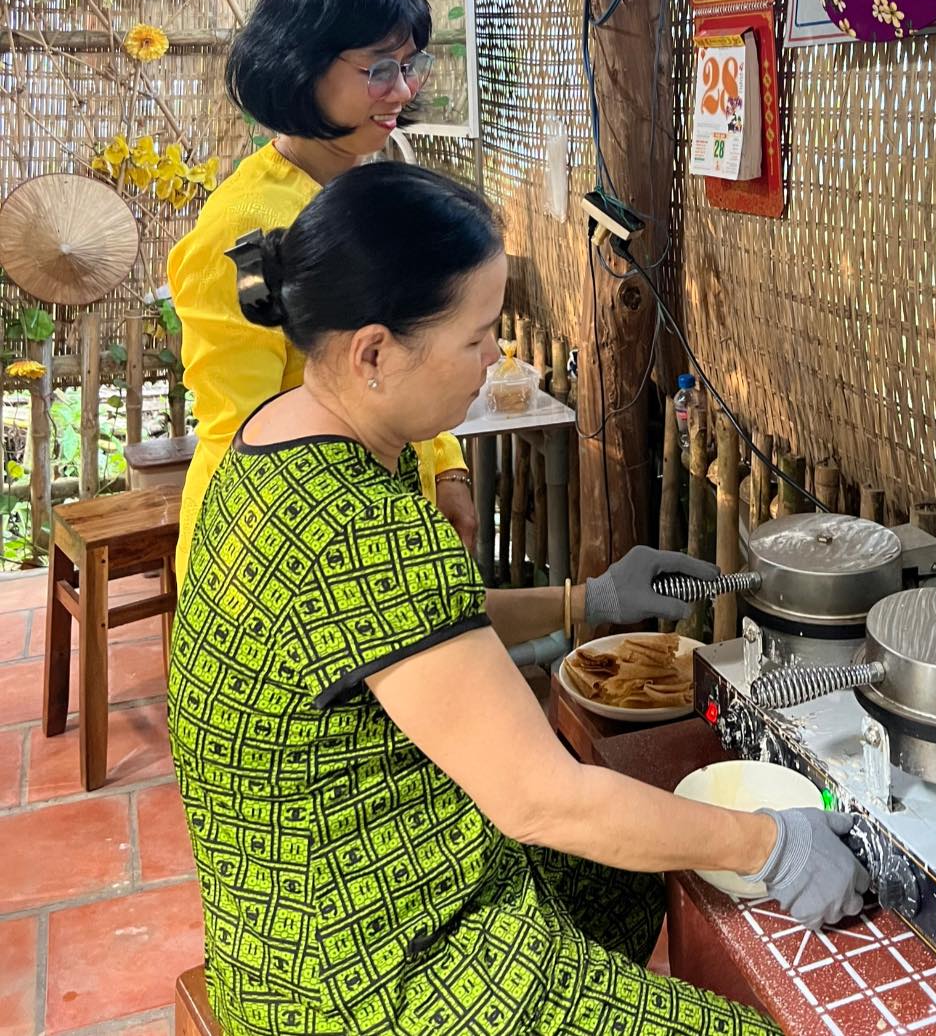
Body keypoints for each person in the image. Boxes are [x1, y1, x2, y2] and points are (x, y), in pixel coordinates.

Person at [168, 162, 869, 1036]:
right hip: (368, 972)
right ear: (375, 351)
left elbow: (407, 634)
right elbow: (538, 800)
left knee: (620, 882)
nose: (496, 359)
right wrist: (770, 844)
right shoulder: (365, 523)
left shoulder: (270, 435)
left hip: (285, 924)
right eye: (476, 337)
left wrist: (588, 599)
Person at [167, 0, 476, 585]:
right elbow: (241, 430)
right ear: (301, 67)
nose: (404, 90)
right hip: (278, 543)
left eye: (410, 65)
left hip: (377, 512)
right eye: (380, 69)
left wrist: (444, 465)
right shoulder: (247, 232)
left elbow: (402, 352)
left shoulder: (373, 186)